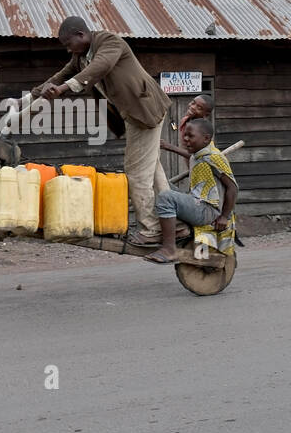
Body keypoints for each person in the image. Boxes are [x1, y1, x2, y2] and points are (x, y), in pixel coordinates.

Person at [37, 16, 171, 246]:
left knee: (137, 173)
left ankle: (150, 230)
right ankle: (173, 223)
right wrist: (38, 91)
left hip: (145, 110)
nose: (69, 51)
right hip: (132, 115)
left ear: (81, 34)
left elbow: (101, 67)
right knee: (153, 172)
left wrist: (61, 89)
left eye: (69, 44)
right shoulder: (80, 57)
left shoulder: (109, 42)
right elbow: (62, 74)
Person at [145, 117, 237, 264]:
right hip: (197, 203)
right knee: (161, 184)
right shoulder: (201, 154)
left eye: (190, 136)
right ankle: (164, 229)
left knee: (166, 197)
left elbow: (233, 188)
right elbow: (193, 157)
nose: (185, 139)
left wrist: (224, 217)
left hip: (208, 210)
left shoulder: (214, 157)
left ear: (206, 139)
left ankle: (169, 249)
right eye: (185, 136)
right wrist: (169, 147)